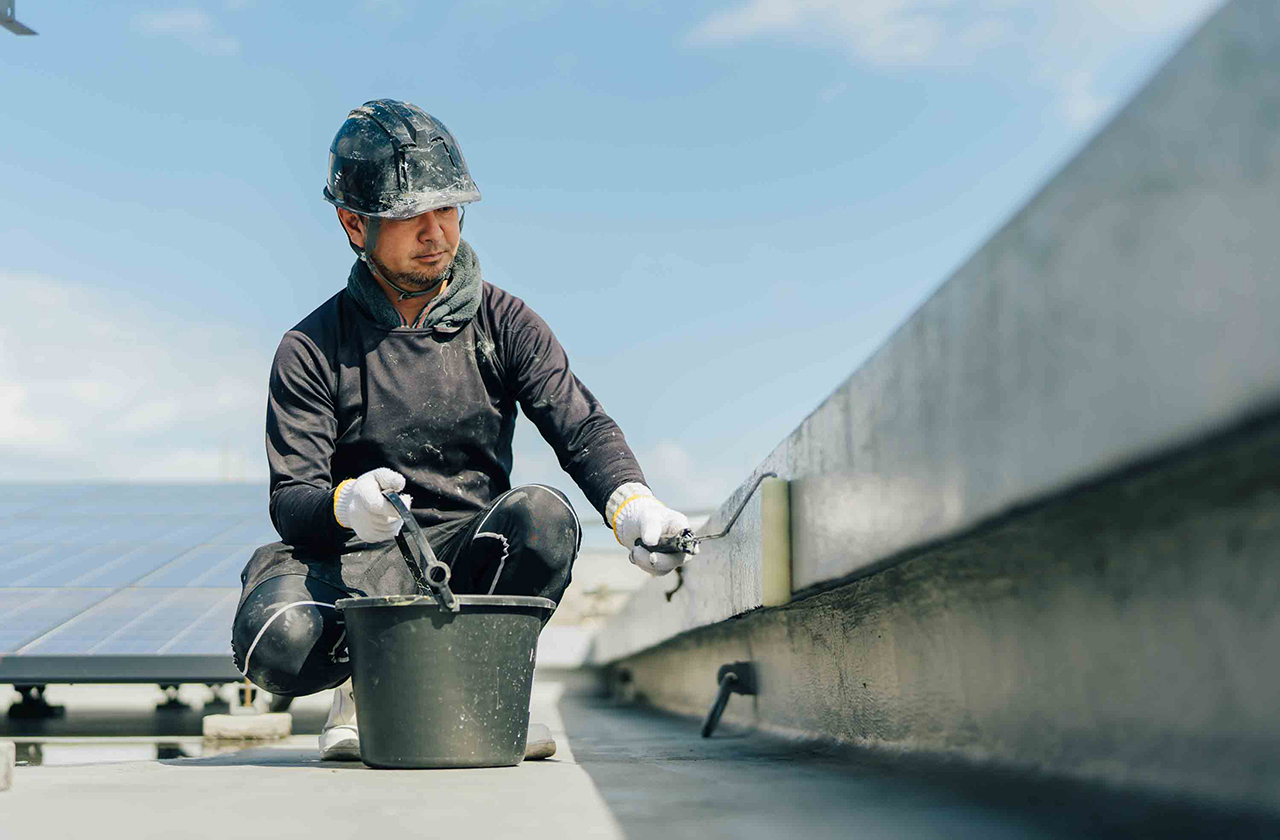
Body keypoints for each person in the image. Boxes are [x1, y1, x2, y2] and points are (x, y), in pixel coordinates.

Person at [231, 99, 694, 761]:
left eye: (446, 210)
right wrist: (347, 505)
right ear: (353, 224)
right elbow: (292, 501)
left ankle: (486, 690)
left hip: (476, 560)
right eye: (410, 216)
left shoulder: (507, 323)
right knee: (275, 638)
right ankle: (365, 689)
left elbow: (580, 426)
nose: (436, 233)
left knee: (543, 518)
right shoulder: (310, 347)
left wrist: (633, 505)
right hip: (362, 559)